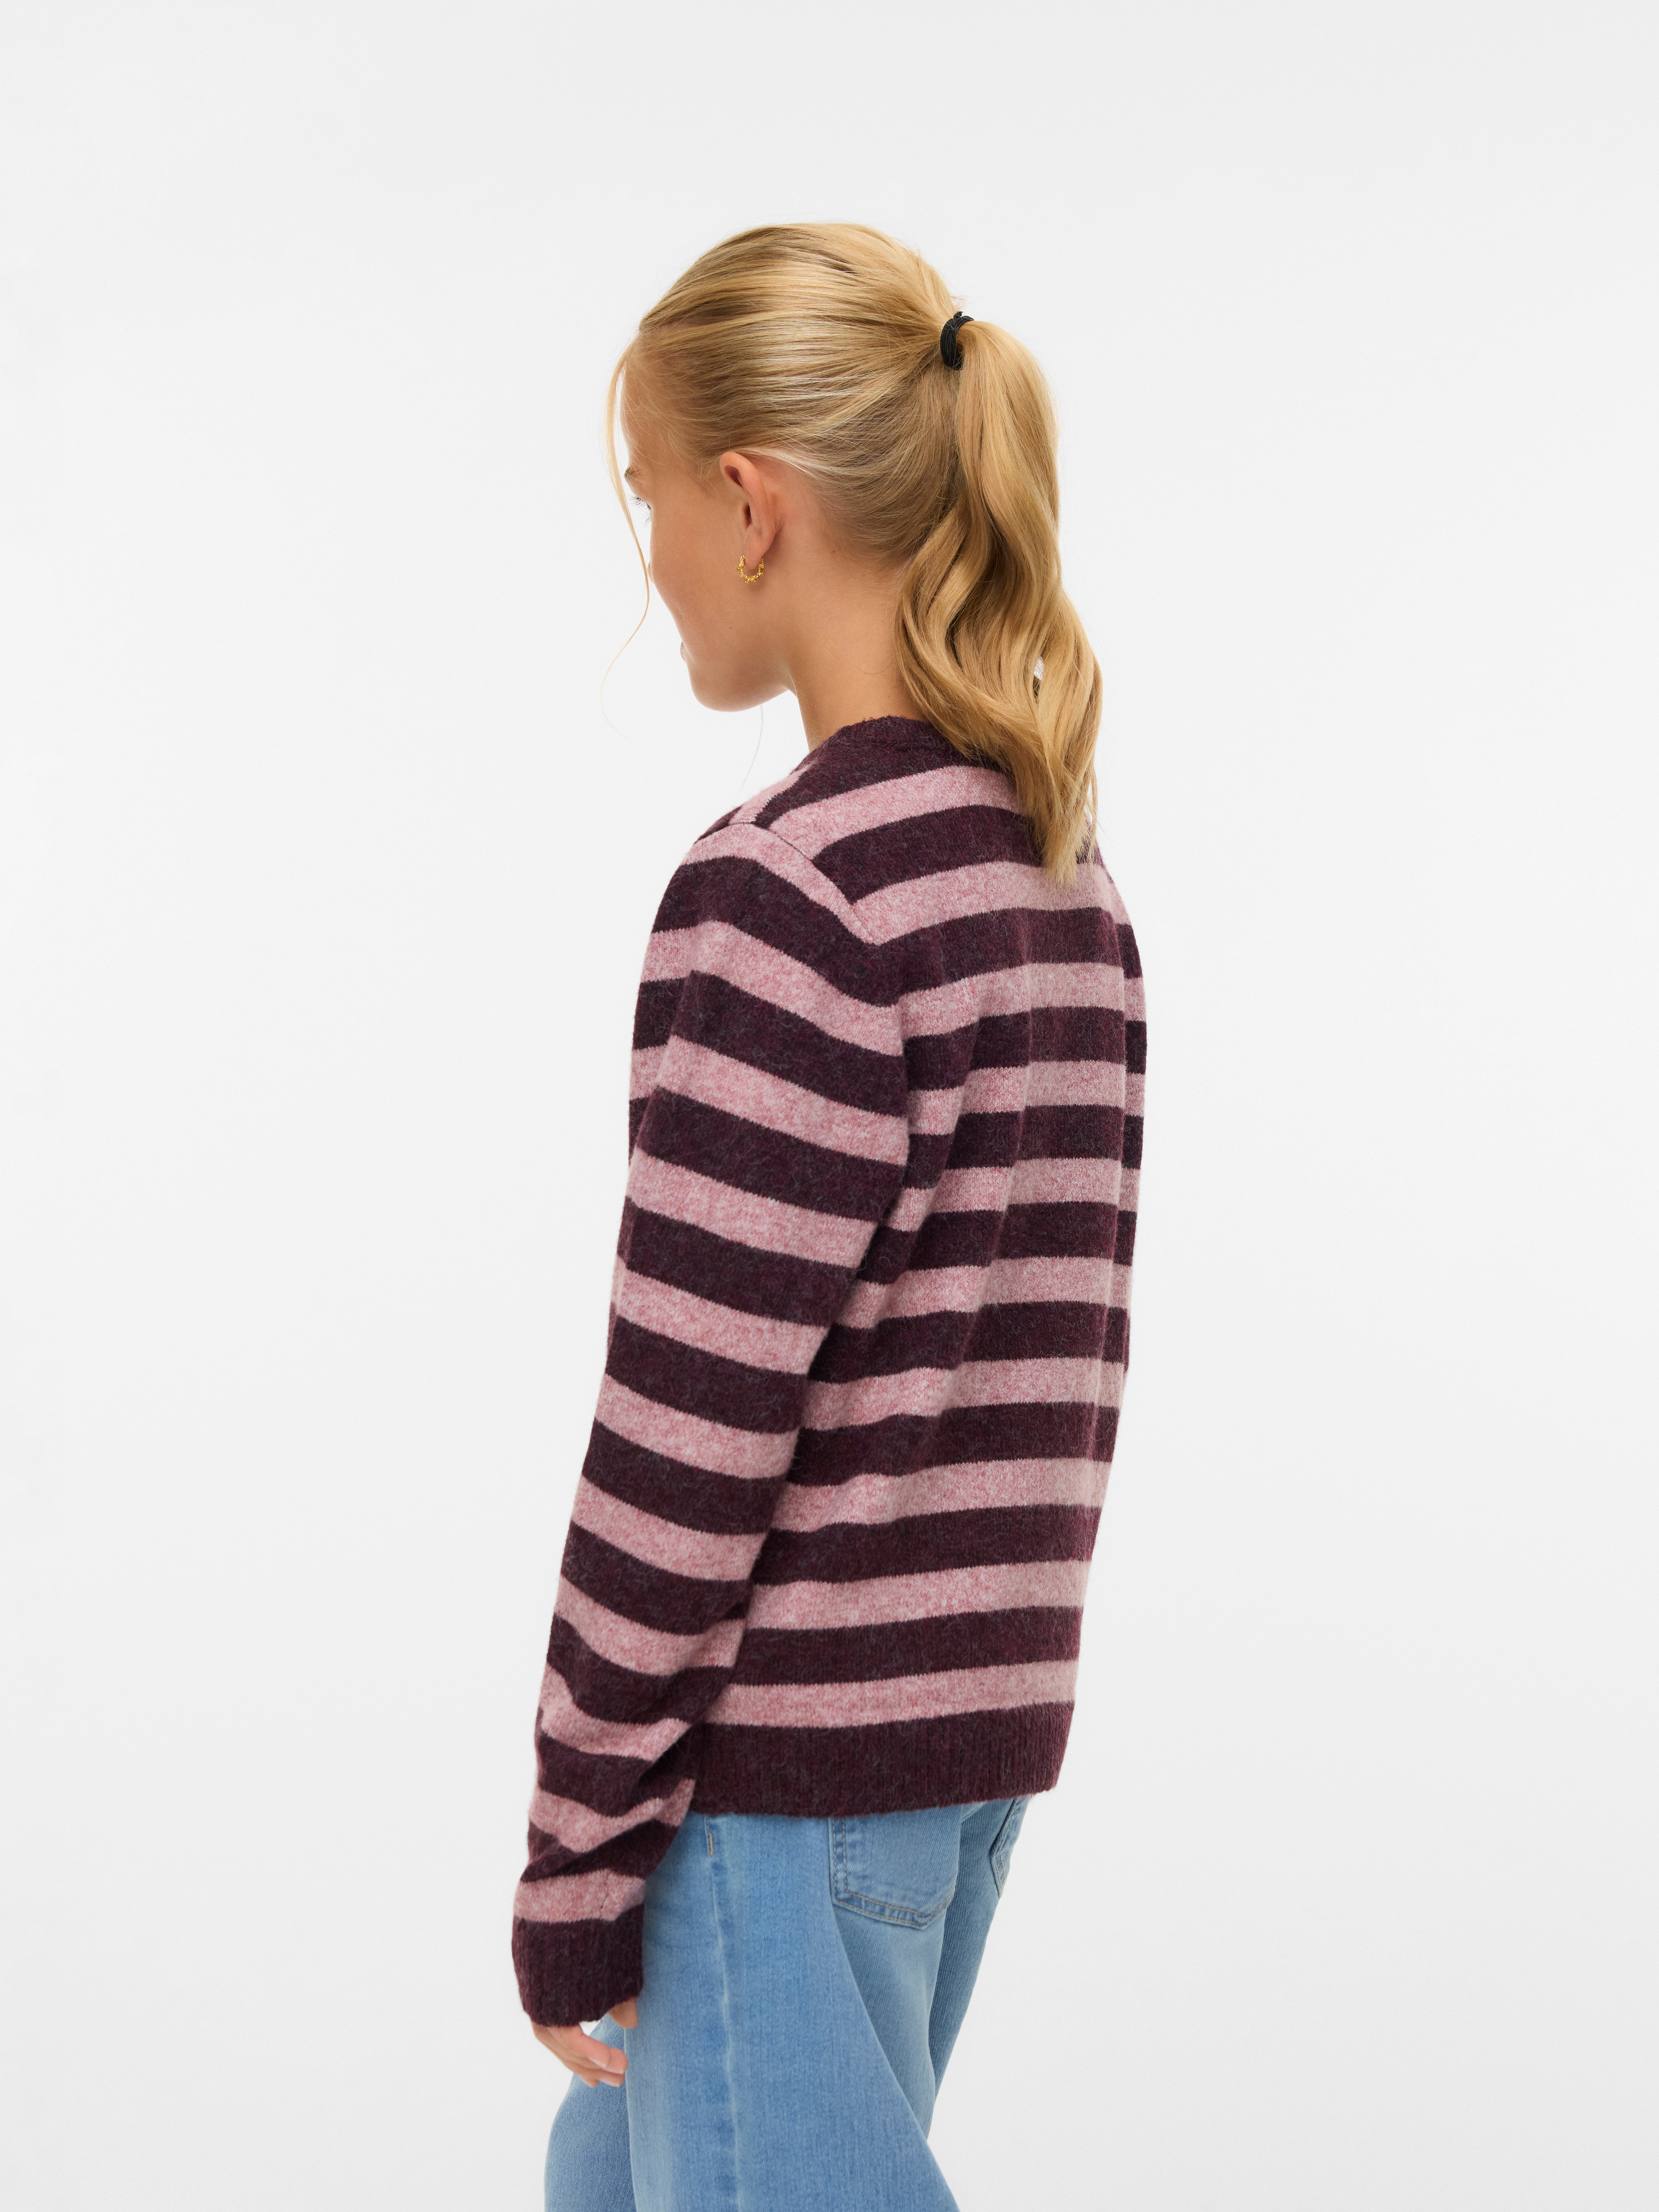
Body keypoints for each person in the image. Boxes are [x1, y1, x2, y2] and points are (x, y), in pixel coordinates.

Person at [511, 222, 1146, 2211]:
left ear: (750, 501)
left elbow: (684, 1431)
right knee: (608, 2180)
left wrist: (575, 1842)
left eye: (647, 497)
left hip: (777, 1784)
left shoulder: (792, 891)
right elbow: (1055, 1379)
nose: (650, 561)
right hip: (951, 1764)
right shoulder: (1056, 878)